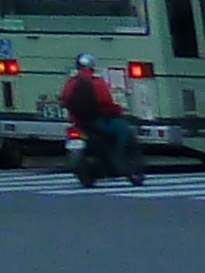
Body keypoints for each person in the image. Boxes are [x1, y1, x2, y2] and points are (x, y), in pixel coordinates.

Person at [60, 52, 143, 184]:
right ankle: (119, 154)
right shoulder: (97, 82)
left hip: (79, 121)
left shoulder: (71, 81)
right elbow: (106, 102)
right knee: (123, 130)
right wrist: (117, 110)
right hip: (98, 121)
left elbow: (64, 100)